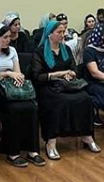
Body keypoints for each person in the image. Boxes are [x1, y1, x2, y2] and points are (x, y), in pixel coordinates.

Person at [0, 24, 45, 167]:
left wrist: (18, 78)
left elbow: (18, 72)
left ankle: (32, 150)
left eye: (9, 37)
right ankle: (12, 152)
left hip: (10, 88)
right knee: (14, 109)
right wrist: (7, 73)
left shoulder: (12, 50)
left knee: (31, 107)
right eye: (5, 37)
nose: (8, 40)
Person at [31, 20, 99, 160]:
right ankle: (51, 141)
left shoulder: (66, 49)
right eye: (59, 32)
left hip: (67, 84)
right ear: (49, 34)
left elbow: (74, 68)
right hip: (48, 86)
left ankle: (86, 135)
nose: (63, 35)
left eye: (64, 32)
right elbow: (38, 76)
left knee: (85, 99)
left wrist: (71, 74)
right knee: (58, 102)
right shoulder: (39, 52)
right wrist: (59, 74)